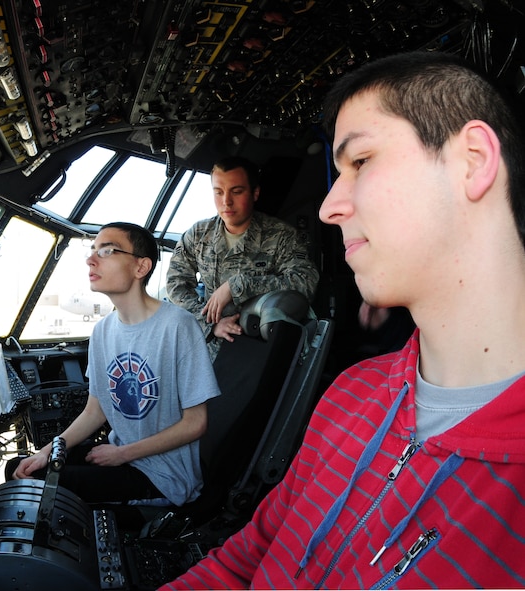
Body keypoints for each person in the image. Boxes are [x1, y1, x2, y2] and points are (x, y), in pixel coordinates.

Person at [163, 50, 525, 588]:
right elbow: (247, 559)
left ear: (472, 160)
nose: (329, 207)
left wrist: (241, 287)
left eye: (360, 161)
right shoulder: (349, 396)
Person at [10, 222, 221, 506]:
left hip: (164, 477)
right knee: (20, 468)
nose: (91, 259)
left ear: (140, 267)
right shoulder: (102, 331)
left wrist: (123, 454)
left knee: (39, 486)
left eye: (107, 251)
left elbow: (196, 424)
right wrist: (46, 452)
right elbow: (95, 411)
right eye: (93, 250)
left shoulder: (178, 326)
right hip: (121, 455)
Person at [166, 156, 319, 360]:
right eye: (218, 192)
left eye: (236, 192)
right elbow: (176, 284)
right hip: (209, 349)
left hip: (260, 350)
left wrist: (239, 285)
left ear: (255, 193)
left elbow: (305, 282)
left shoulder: (281, 236)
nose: (226, 201)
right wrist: (209, 324)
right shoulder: (198, 235)